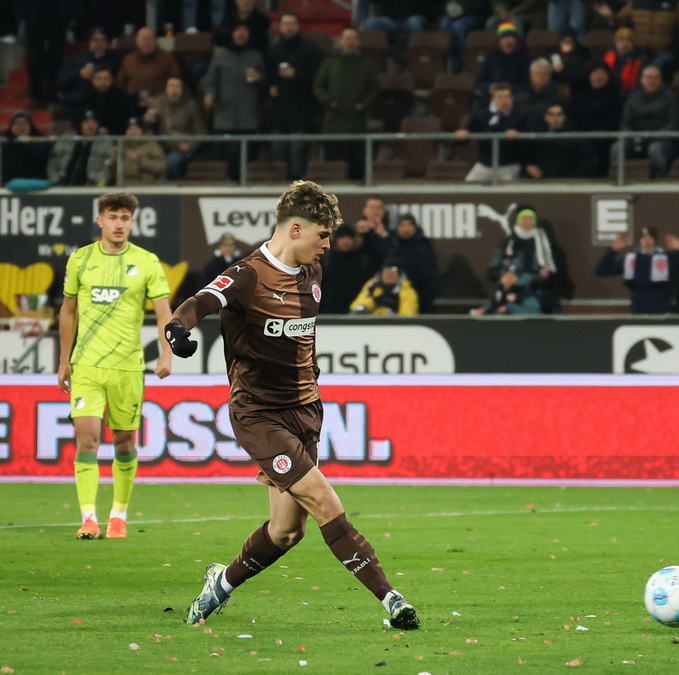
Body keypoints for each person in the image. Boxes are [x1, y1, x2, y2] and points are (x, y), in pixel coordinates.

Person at [164, 181, 420, 631]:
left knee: (286, 531)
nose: (327, 245)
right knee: (323, 499)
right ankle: (392, 599)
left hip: (306, 410)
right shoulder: (248, 274)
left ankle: (218, 585)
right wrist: (177, 330)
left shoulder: (312, 275)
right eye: (322, 235)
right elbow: (199, 302)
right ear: (295, 228)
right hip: (259, 413)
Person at [57, 192, 173, 540]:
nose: (119, 223)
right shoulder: (80, 260)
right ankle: (89, 518)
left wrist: (166, 353)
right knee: (87, 439)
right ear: (101, 221)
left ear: (132, 222)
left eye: (125, 218)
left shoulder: (147, 262)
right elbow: (67, 310)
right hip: (87, 365)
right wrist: (64, 360)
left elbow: (164, 311)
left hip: (128, 367)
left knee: (124, 442)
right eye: (113, 217)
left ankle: (118, 515)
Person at [314, 28, 380, 181]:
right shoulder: (329, 63)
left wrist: (363, 105)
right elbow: (318, 86)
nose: (350, 42)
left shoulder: (367, 64)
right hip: (333, 122)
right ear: (340, 41)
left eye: (353, 39)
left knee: (357, 164)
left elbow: (375, 89)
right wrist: (329, 102)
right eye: (347, 38)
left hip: (357, 122)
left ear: (358, 42)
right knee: (332, 164)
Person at [267, 12, 324, 181]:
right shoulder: (274, 49)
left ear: (298, 26)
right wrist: (271, 85)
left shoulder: (310, 49)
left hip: (302, 109)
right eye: (285, 23)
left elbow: (318, 75)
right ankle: (277, 186)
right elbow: (268, 73)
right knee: (277, 149)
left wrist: (297, 74)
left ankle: (297, 186)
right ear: (280, 27)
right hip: (279, 111)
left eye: (292, 23)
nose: (289, 27)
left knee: (297, 150)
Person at [595, 227, 679, 314]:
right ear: (639, 240)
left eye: (650, 237)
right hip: (638, 310)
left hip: (663, 310)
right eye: (643, 238)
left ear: (655, 240)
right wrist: (612, 250)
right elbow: (602, 270)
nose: (647, 241)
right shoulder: (631, 259)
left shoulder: (666, 258)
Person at [486, 207, 561, 310]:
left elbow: (548, 265)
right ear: (518, 221)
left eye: (530, 219)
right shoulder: (509, 240)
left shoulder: (540, 238)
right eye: (524, 219)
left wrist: (546, 272)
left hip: (534, 282)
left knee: (532, 302)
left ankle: (505, 307)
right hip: (511, 280)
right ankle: (495, 307)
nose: (527, 222)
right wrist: (502, 275)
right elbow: (495, 266)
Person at [612, 65, 679, 178]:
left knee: (655, 149)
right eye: (648, 77)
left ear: (660, 80)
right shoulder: (633, 97)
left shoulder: (670, 97)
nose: (652, 81)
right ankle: (618, 180)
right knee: (617, 148)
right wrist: (631, 135)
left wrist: (657, 135)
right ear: (641, 80)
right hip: (635, 138)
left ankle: (660, 181)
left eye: (655, 78)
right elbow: (625, 124)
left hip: (661, 139)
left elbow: (674, 123)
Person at [456, 82, 529, 183]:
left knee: (509, 190)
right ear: (493, 99)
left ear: (512, 99)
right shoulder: (481, 115)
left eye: (507, 97)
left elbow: (528, 142)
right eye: (500, 97)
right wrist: (462, 135)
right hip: (485, 164)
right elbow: (466, 135)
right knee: (469, 185)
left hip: (509, 165)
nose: (504, 101)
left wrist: (518, 136)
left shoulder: (521, 115)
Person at [144, 77, 208, 180]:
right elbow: (149, 127)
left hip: (179, 146)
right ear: (166, 89)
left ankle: (174, 188)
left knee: (171, 162)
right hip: (159, 145)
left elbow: (201, 132)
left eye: (177, 87)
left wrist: (190, 145)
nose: (174, 90)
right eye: (171, 86)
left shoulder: (191, 106)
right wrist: (148, 120)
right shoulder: (157, 103)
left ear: (182, 89)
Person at [383, 213, 441, 314]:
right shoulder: (391, 246)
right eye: (402, 225)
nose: (406, 229)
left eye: (409, 225)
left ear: (415, 227)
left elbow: (430, 278)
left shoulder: (423, 248)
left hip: (418, 302)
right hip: (389, 300)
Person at [116, 27, 182, 109]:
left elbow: (175, 82)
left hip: (161, 104)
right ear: (137, 42)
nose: (146, 43)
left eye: (150, 39)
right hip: (131, 104)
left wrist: (156, 99)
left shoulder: (167, 58)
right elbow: (120, 83)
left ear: (155, 41)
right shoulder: (128, 59)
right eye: (143, 39)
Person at [525, 104, 597, 179]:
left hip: (570, 183)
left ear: (564, 117)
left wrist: (574, 180)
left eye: (559, 115)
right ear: (545, 117)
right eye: (551, 115)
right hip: (544, 181)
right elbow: (529, 160)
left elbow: (588, 163)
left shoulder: (575, 138)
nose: (555, 118)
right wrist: (530, 167)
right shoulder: (538, 138)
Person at [57, 28, 122, 106]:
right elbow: (61, 81)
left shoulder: (115, 58)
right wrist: (79, 74)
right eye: (95, 40)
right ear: (89, 42)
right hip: (81, 97)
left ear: (107, 43)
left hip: (107, 97)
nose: (99, 43)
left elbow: (120, 80)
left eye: (102, 40)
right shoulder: (77, 58)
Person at [319, 225, 376, 314]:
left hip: (356, 311)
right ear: (336, 240)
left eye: (349, 238)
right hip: (328, 311)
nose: (345, 241)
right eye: (342, 238)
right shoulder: (327, 260)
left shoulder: (363, 261)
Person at [47, 111, 114, 187]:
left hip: (91, 186)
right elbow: (53, 161)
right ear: (80, 124)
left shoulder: (105, 141)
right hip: (63, 185)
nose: (90, 125)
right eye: (86, 122)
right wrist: (55, 180)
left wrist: (99, 183)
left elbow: (109, 166)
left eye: (93, 122)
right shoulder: (67, 139)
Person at [478, 22, 532, 97]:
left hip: (515, 96)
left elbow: (527, 84)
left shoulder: (524, 58)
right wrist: (490, 88)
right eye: (504, 38)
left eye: (511, 37)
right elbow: (481, 82)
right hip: (492, 97)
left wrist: (507, 90)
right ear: (499, 41)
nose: (508, 41)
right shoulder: (491, 57)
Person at [79, 67, 135, 136]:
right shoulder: (85, 97)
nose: (102, 82)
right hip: (91, 137)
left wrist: (110, 130)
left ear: (112, 80)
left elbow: (126, 121)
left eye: (106, 79)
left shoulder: (122, 97)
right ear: (92, 80)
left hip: (116, 137)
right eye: (99, 79)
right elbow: (79, 120)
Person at [472, 264, 544, 315]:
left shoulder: (525, 289)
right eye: (504, 275)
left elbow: (534, 310)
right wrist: (484, 309)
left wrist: (509, 307)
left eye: (510, 275)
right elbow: (496, 304)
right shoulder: (503, 290)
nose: (506, 278)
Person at [1, 112, 49, 184]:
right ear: (11, 127)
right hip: (8, 184)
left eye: (24, 123)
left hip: (36, 182)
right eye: (17, 124)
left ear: (30, 126)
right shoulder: (3, 143)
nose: (21, 127)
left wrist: (26, 142)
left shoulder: (40, 141)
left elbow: (42, 161)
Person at [351, 265, 419, 316]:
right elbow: (357, 307)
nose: (390, 274)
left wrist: (395, 308)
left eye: (394, 271)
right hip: (371, 326)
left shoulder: (407, 291)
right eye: (386, 271)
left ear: (399, 275)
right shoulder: (372, 287)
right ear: (381, 274)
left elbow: (408, 316)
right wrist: (374, 302)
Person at [117, 117, 168, 184]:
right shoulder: (121, 146)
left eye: (136, 128)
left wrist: (140, 159)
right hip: (125, 186)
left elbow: (162, 167)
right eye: (130, 129)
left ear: (142, 130)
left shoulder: (151, 145)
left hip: (147, 186)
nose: (133, 132)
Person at [603, 27, 647, 94]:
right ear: (616, 42)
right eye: (621, 40)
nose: (624, 43)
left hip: (631, 93)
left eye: (628, 40)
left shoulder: (640, 59)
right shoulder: (607, 57)